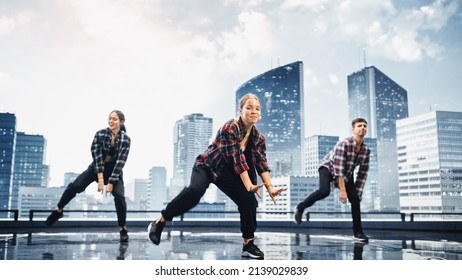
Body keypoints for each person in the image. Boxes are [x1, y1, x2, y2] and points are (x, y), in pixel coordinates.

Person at [147, 93, 286, 259]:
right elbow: (237, 159)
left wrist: (270, 188)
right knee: (195, 192)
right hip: (208, 166)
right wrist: (249, 185)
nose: (253, 111)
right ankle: (160, 222)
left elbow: (261, 162)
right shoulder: (230, 128)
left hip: (227, 174)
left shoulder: (258, 138)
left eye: (257, 108)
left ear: (260, 113)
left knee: (248, 201)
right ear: (240, 110)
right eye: (249, 108)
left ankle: (248, 244)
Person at [45, 110, 131, 243]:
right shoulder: (100, 134)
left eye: (114, 119)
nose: (111, 121)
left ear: (121, 122)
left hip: (114, 171)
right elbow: (96, 156)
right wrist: (101, 179)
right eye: (109, 119)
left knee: (119, 197)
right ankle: (58, 210)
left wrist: (112, 182)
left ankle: (122, 228)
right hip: (97, 168)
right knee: (75, 186)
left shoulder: (126, 140)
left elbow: (120, 162)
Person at [294, 118, 371, 242]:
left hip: (347, 172)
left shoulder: (366, 150)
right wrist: (343, 191)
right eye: (359, 126)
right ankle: (301, 207)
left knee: (355, 200)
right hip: (328, 168)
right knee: (324, 191)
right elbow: (338, 168)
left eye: (365, 126)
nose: (362, 128)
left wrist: (357, 193)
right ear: (353, 129)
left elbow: (363, 173)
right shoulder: (344, 143)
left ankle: (358, 232)